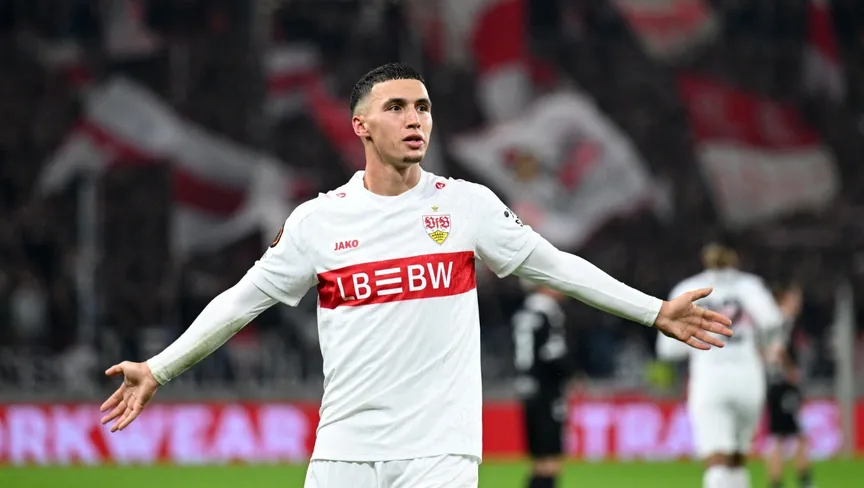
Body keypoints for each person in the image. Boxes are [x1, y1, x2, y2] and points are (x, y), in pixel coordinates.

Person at [100, 63, 733, 488]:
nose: (415, 119)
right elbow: (241, 302)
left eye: (423, 108)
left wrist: (655, 310)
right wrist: (160, 368)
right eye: (397, 107)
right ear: (361, 126)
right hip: (345, 449)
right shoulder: (318, 222)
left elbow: (558, 267)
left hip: (440, 451)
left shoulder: (467, 206)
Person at [656, 243, 791, 488]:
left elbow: (667, 350)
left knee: (716, 459)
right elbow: (772, 323)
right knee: (738, 458)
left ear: (705, 259)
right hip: (749, 378)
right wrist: (763, 347)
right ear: (735, 259)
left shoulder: (688, 288)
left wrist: (695, 340)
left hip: (709, 380)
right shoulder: (750, 286)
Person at [512, 282, 571, 488]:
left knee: (538, 457)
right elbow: (552, 353)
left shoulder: (524, 309)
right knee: (551, 457)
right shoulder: (548, 311)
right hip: (548, 387)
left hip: (527, 385)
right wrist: (570, 372)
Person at [764, 285, 814, 488]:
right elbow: (777, 350)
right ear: (784, 299)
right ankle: (804, 482)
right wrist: (790, 369)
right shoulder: (782, 321)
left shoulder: (773, 322)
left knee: (779, 435)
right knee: (795, 436)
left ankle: (777, 482)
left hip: (775, 385)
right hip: (783, 385)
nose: (798, 303)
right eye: (794, 299)